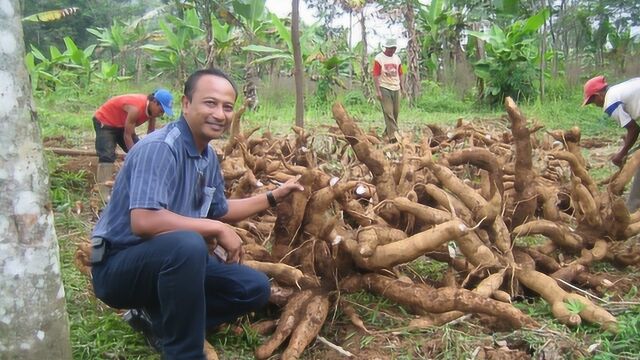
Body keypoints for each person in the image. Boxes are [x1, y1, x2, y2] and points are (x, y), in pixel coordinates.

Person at [89, 68, 304, 359]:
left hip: (173, 262)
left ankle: (159, 321)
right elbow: (144, 221)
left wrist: (272, 197)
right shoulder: (160, 149)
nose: (220, 113)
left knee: (253, 288)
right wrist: (214, 229)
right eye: (210, 103)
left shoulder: (206, 157)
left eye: (227, 107)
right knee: (188, 244)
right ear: (186, 103)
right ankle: (184, 351)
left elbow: (222, 210)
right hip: (121, 268)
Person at [93, 89, 174, 201]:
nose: (161, 114)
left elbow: (150, 133)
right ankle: (103, 194)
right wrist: (133, 154)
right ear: (154, 102)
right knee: (107, 155)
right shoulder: (136, 109)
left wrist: (148, 151)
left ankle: (139, 187)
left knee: (142, 152)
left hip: (122, 125)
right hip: (105, 121)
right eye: (161, 110)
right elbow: (127, 135)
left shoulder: (152, 112)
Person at [583, 75, 640, 210]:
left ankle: (632, 207)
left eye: (593, 101)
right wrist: (626, 148)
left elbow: (634, 129)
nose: (595, 105)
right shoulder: (617, 91)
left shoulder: (610, 101)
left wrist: (621, 154)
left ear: (598, 95)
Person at [373, 37, 404, 142]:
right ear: (386, 48)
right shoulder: (379, 58)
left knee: (395, 113)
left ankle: (387, 133)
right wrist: (377, 90)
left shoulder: (397, 59)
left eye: (394, 48)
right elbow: (376, 75)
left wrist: (403, 88)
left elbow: (400, 74)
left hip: (396, 87)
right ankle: (394, 135)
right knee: (388, 112)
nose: (392, 50)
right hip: (384, 87)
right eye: (390, 48)